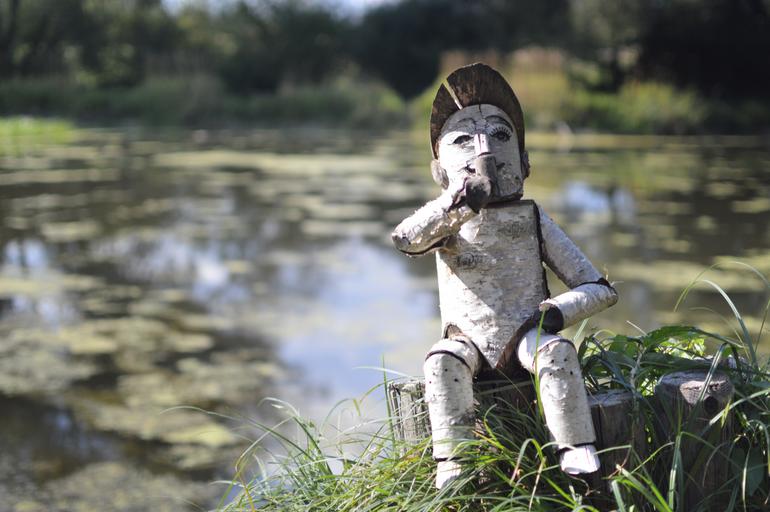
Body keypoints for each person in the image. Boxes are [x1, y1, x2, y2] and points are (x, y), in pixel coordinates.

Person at [391, 63, 618, 489]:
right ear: (439, 169)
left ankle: (575, 448)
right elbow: (406, 238)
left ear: (525, 161)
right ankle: (453, 461)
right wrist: (458, 205)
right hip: (467, 341)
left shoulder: (533, 218)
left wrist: (553, 315)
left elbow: (598, 288)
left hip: (528, 336)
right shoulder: (447, 222)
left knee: (557, 353)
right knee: (442, 362)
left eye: (500, 135)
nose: (485, 152)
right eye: (463, 140)